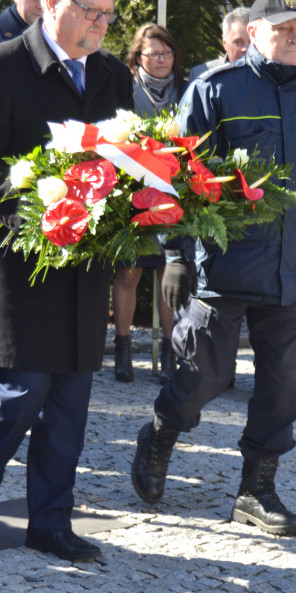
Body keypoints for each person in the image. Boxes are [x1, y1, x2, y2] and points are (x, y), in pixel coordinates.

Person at [131, 0, 296, 536]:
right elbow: (178, 174)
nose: (293, 37)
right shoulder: (216, 90)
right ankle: (159, 434)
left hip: (292, 269)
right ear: (253, 33)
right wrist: (178, 254)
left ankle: (256, 490)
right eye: (280, 29)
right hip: (223, 266)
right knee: (202, 377)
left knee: (281, 391)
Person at [0, 0, 133, 562]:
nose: (102, 23)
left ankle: (50, 522)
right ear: (52, 2)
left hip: (85, 266)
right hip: (20, 261)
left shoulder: (110, 74)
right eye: (90, 11)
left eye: (108, 13)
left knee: (71, 400)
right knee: (20, 391)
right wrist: (44, 204)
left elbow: (131, 158)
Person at [112, 23, 186, 384]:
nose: (161, 59)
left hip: (173, 192)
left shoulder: (186, 90)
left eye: (167, 52)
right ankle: (122, 347)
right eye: (154, 53)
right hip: (133, 192)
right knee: (128, 272)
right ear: (137, 57)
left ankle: (171, 351)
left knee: (167, 274)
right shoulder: (124, 88)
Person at [188, 6, 250, 80]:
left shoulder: (267, 75)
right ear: (224, 42)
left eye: (252, 42)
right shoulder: (201, 75)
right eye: (238, 42)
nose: (246, 49)